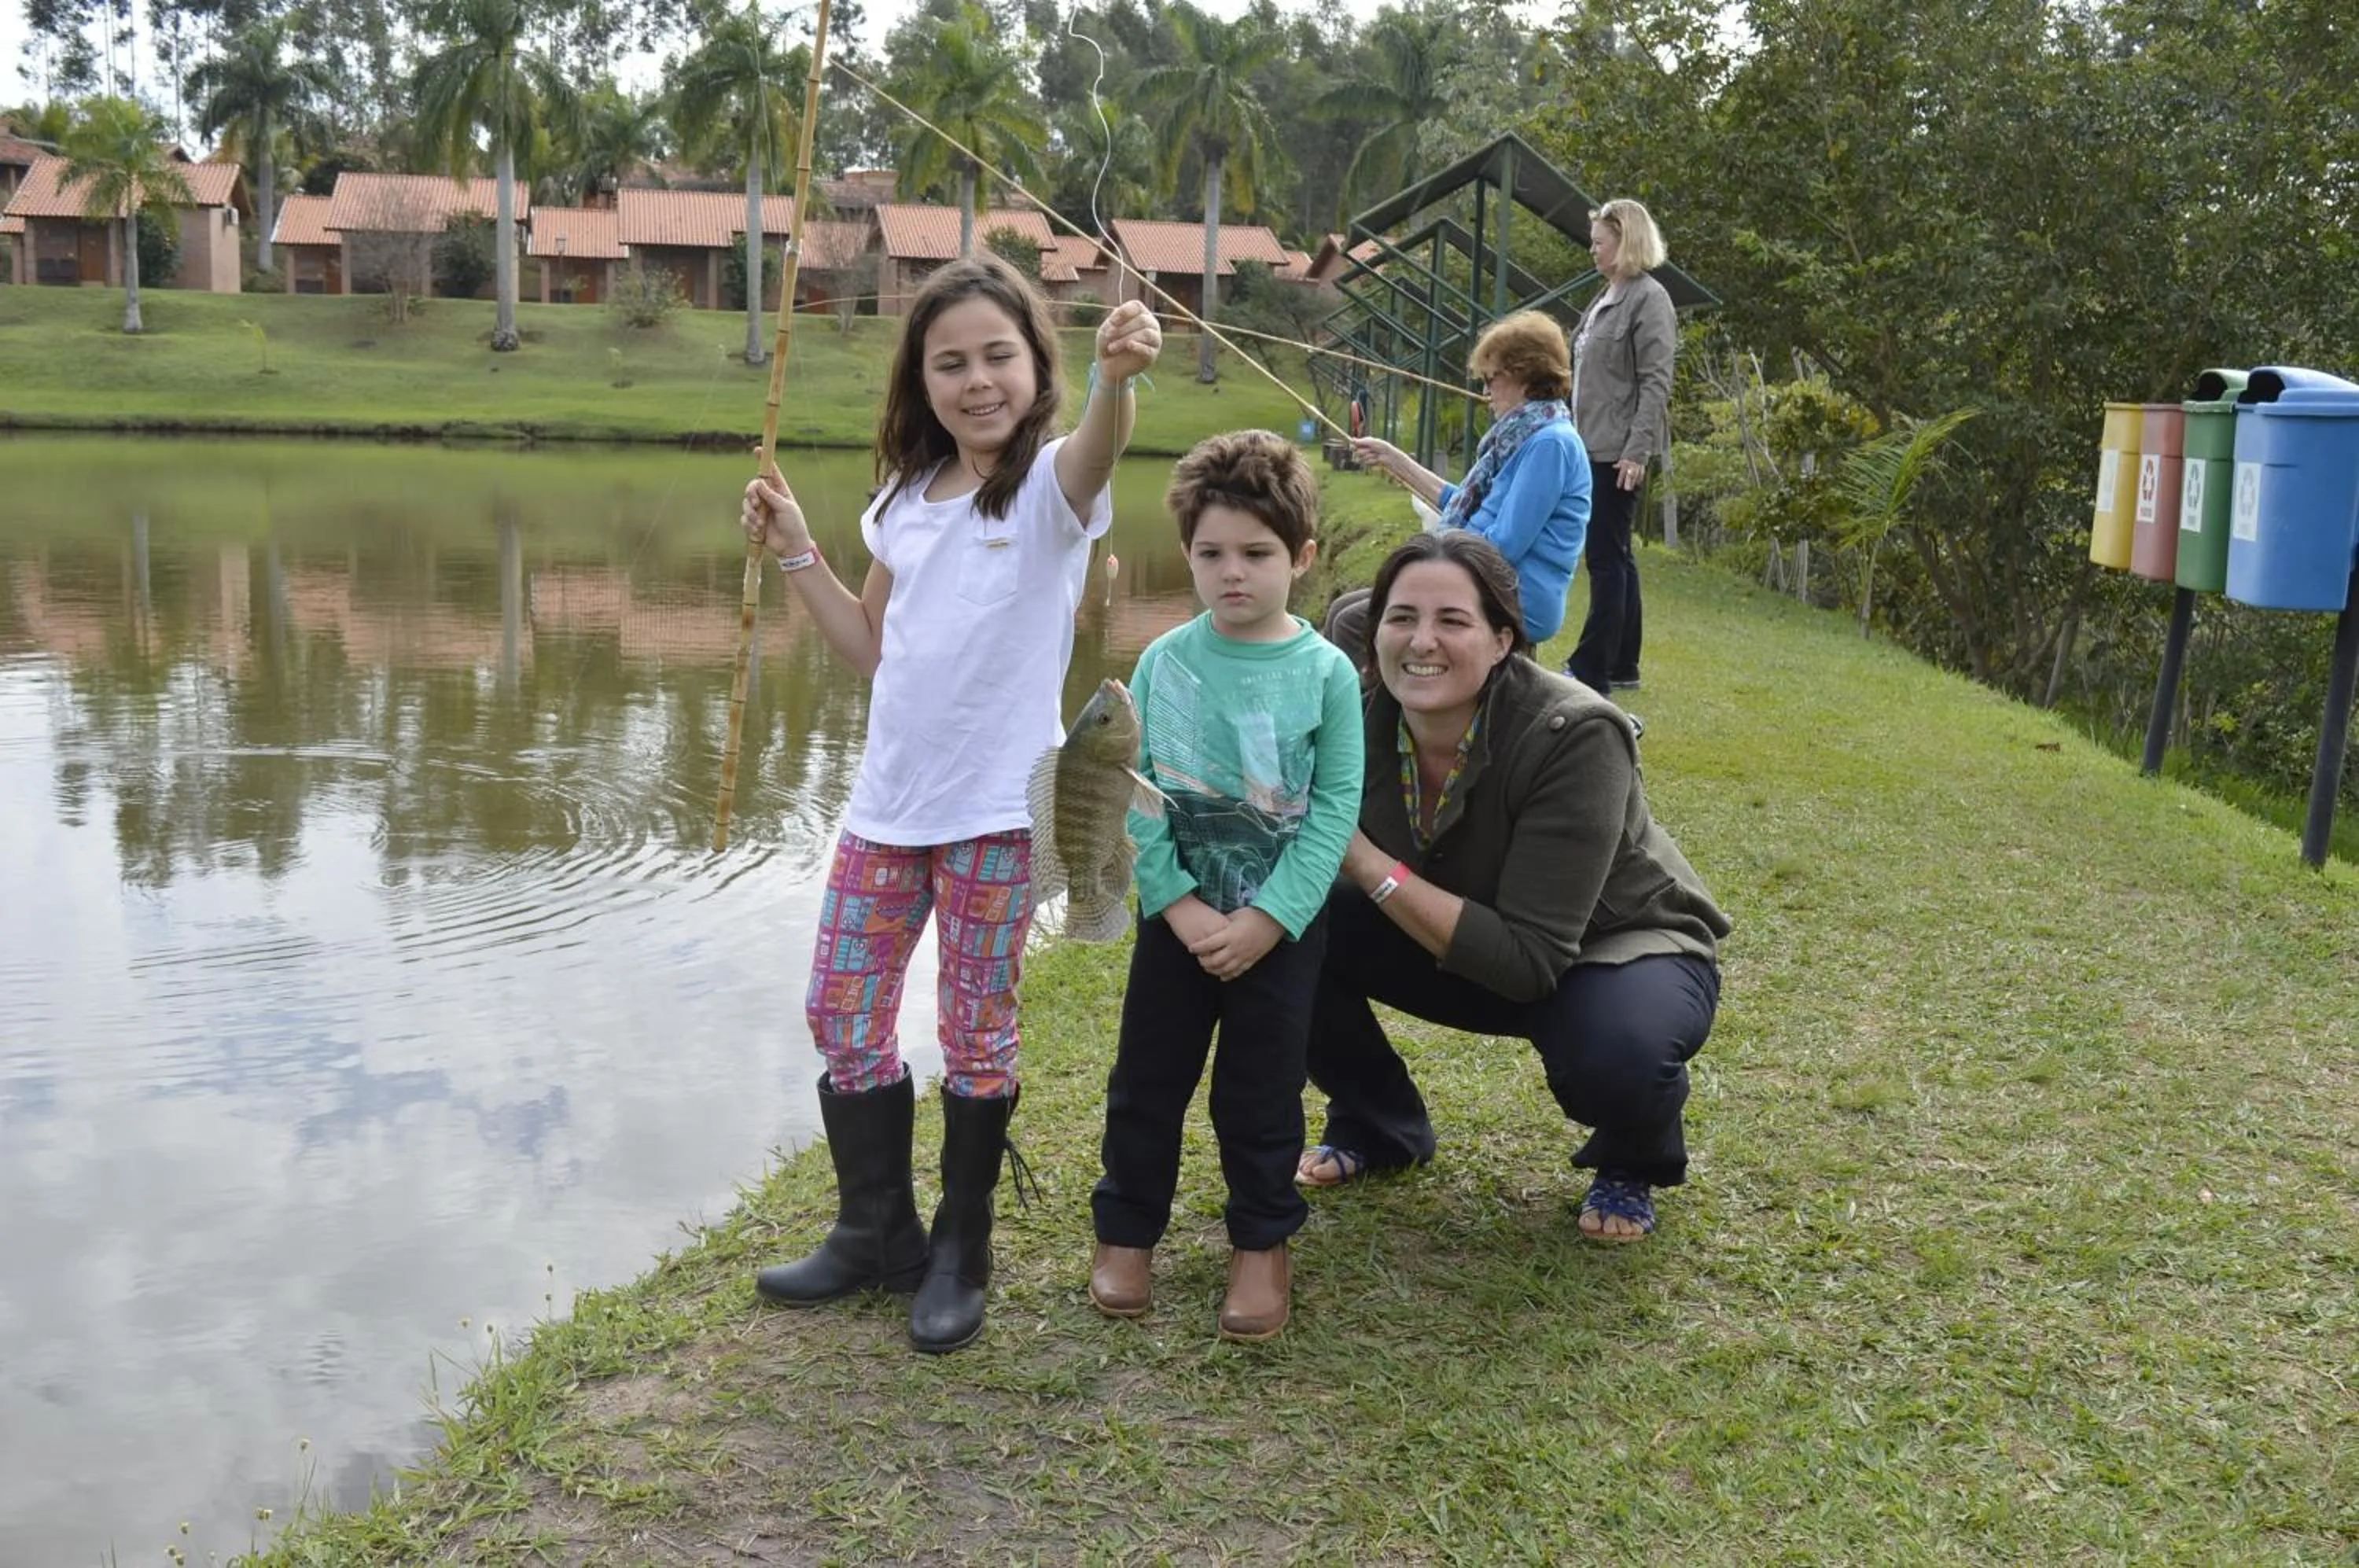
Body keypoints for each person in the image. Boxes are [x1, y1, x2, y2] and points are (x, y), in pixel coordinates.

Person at [739, 254, 1163, 1353]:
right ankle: (874, 1229)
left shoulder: (1052, 489)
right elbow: (870, 648)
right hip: (886, 808)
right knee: (841, 1011)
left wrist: (1116, 379)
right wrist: (798, 552)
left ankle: (961, 1245)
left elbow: (1100, 446)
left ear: (1037, 366)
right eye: (950, 363)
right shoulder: (901, 500)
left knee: (977, 1028)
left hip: (996, 818)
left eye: (998, 357)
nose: (977, 381)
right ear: (919, 380)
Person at [1297, 532, 1728, 1242]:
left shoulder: (1577, 732)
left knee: (1619, 1055)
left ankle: (1632, 1154)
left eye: (1453, 621)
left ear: (1502, 640)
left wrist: (1366, 862)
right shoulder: (1356, 709)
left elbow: (1530, 960)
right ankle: (1379, 1125)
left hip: (1606, 947)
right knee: (1282, 921)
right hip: (1462, 926)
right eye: (1401, 618)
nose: (1422, 642)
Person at [1087, 431, 1364, 1343]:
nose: (1232, 572)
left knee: (1262, 1088)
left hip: (1280, 927)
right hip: (1178, 919)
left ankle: (1261, 1240)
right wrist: (1177, 903)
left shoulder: (1328, 673)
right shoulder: (1163, 661)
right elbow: (1136, 793)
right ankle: (1128, 1230)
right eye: (1211, 553)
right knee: (1147, 1080)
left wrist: (1271, 918)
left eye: (1257, 553)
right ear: (1187, 553)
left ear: (1303, 557)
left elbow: (1334, 810)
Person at [1327, 311, 1591, 664]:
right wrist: (1393, 459)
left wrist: (1431, 563)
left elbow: (1504, 546)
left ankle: (1391, 698)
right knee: (1344, 609)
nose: (1485, 391)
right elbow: (1462, 504)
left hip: (1515, 596)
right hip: (1480, 580)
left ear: (1524, 374)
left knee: (1351, 623)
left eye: (1491, 379)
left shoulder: (1550, 444)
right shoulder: (1522, 435)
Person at [1565, 198, 1676, 700]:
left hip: (1617, 450)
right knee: (1617, 554)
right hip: (1589, 442)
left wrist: (1637, 451)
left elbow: (1655, 381)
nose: (1592, 250)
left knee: (1605, 558)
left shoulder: (1649, 299)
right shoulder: (1606, 294)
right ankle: (1623, 662)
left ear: (1625, 241)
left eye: (1600, 242)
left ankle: (1591, 668)